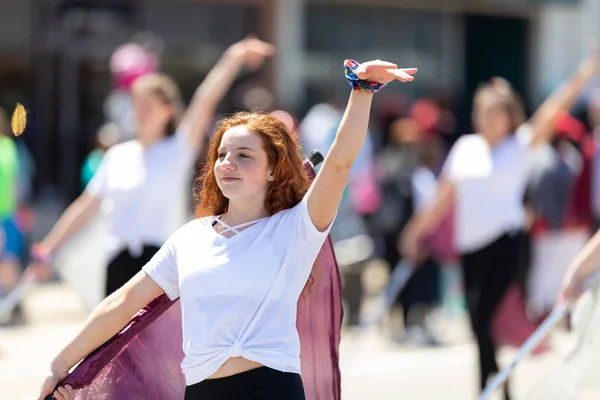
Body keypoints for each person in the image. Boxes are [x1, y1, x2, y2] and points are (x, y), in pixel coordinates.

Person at [35, 59, 417, 400]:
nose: (227, 163)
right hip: (201, 393)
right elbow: (121, 304)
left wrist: (363, 89)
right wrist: (59, 363)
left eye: (244, 155)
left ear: (273, 170)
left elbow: (338, 163)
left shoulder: (295, 229)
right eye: (221, 155)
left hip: (272, 390)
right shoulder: (190, 238)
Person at [400, 48, 597, 399]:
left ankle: (489, 388)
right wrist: (416, 231)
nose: (486, 119)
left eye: (494, 112)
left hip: (506, 242)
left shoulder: (520, 145)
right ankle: (499, 384)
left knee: (482, 314)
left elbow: (555, 108)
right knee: (478, 324)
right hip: (470, 247)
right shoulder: (465, 147)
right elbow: (442, 197)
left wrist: (586, 71)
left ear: (509, 116)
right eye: (481, 111)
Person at [27, 37, 275, 297]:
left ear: (168, 110)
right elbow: (84, 207)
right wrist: (47, 249)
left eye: (149, 105)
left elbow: (205, 98)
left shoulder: (176, 149)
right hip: (117, 265)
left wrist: (235, 56)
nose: (141, 112)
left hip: (161, 265)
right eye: (137, 104)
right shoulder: (117, 156)